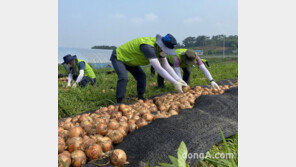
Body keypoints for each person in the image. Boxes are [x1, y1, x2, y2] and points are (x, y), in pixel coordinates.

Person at [110, 34, 188, 103]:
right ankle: (119, 101)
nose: (166, 52)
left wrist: (178, 80)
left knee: (142, 76)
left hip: (131, 61)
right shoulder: (148, 47)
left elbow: (166, 66)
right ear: (160, 45)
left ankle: (140, 97)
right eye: (166, 50)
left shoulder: (160, 50)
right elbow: (158, 68)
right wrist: (175, 83)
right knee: (123, 78)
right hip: (119, 57)